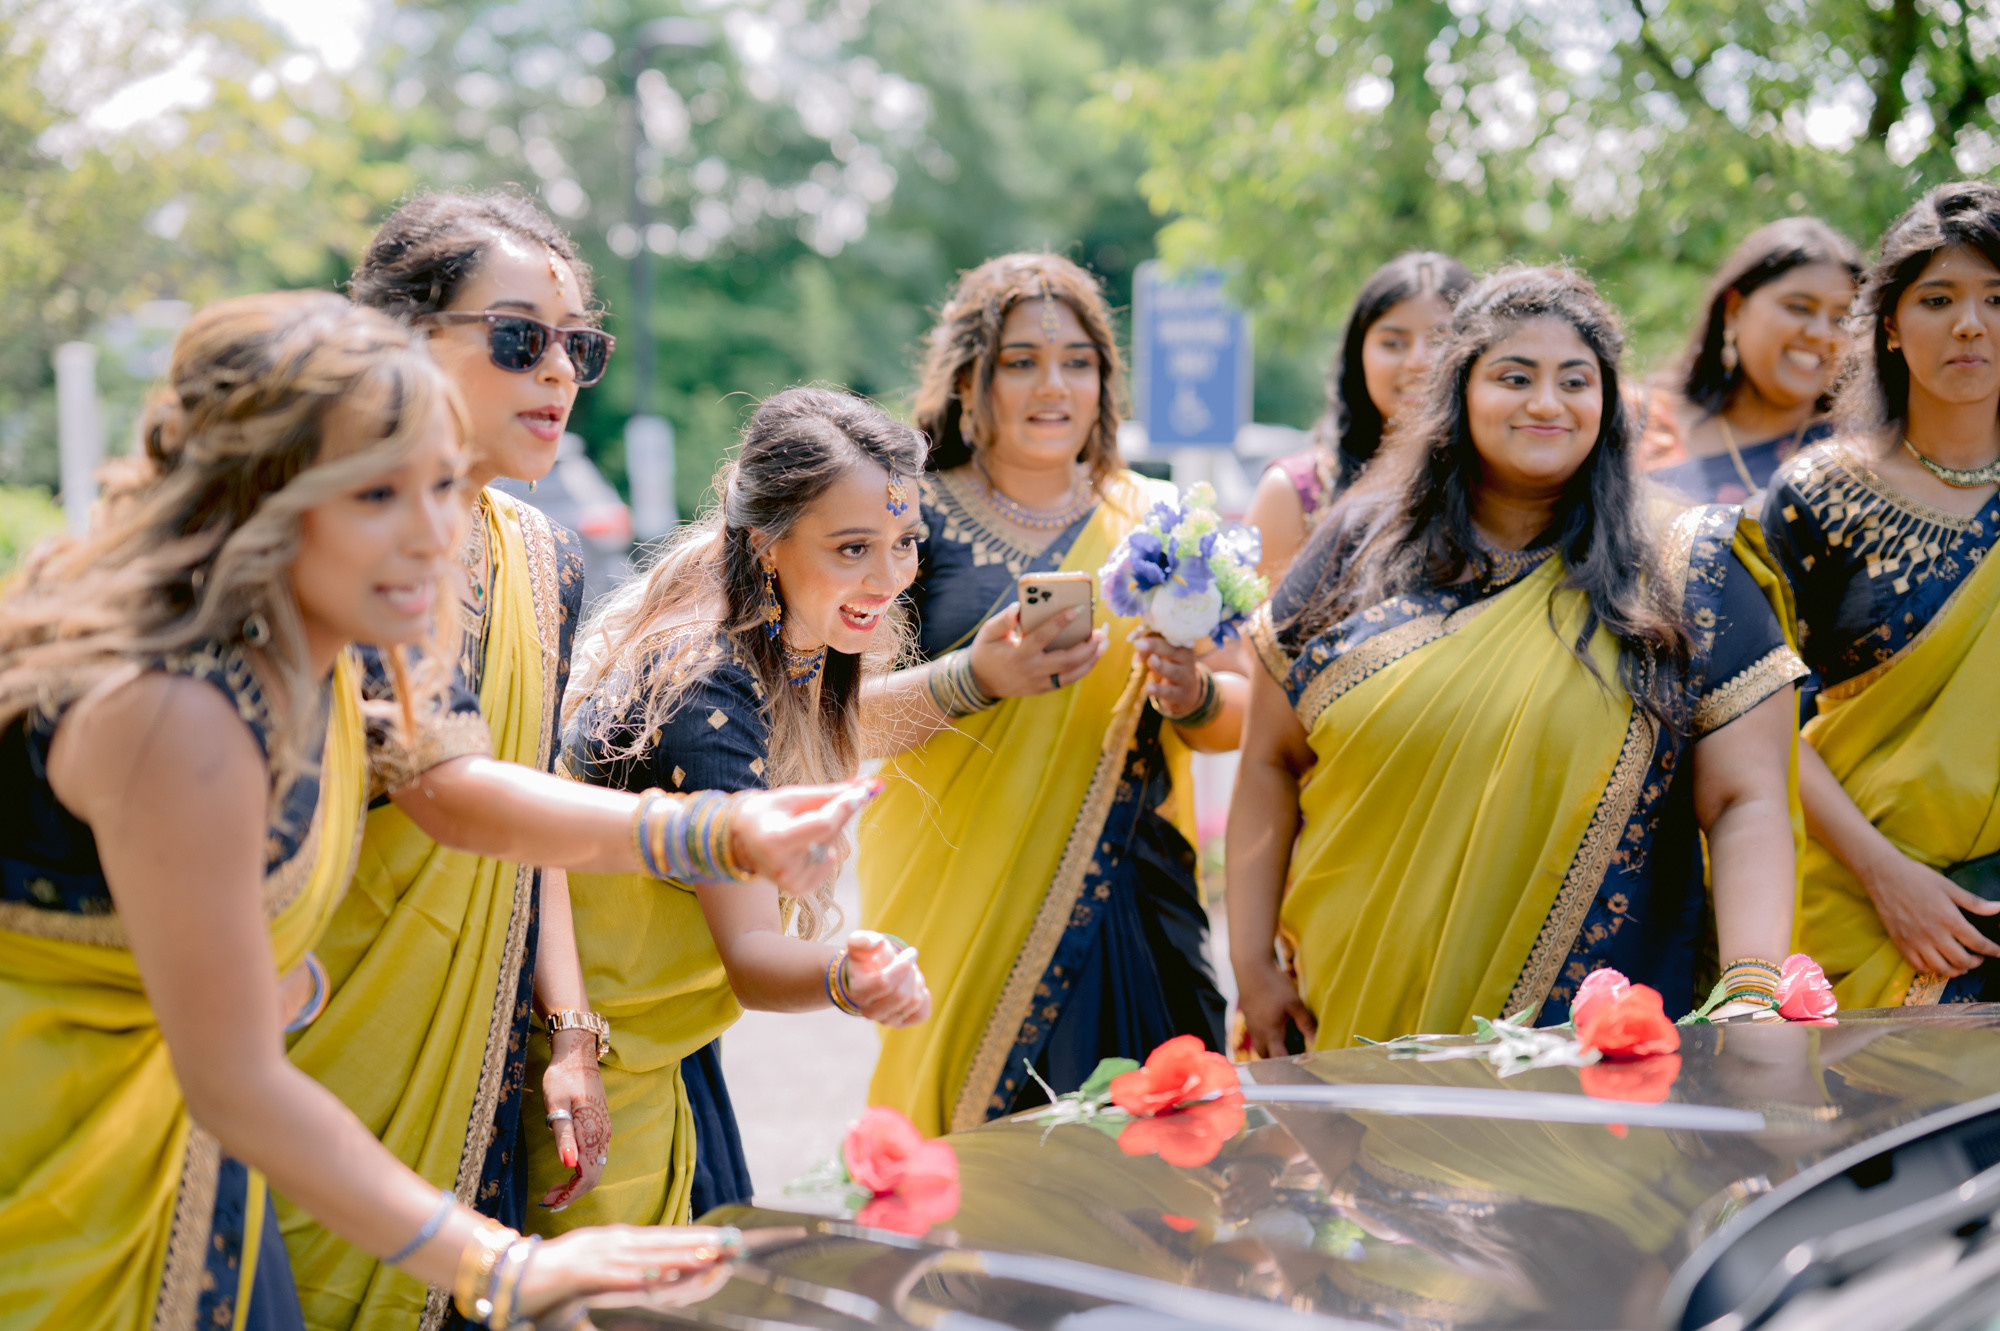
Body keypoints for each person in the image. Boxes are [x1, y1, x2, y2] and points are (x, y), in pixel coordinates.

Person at [0, 293, 749, 1329]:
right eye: (374, 494)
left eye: (442, 485)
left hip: (175, 1175)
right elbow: (238, 1084)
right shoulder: (179, 712)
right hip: (62, 1210)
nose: (432, 532)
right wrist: (508, 1265)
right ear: (258, 497)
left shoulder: (305, 676)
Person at [279, 193, 876, 1330]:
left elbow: (530, 816)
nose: (557, 371)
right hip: (323, 1019)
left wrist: (569, 1032)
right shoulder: (333, 539)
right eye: (518, 338)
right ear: (398, 340)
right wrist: (712, 829)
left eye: (577, 345)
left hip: (477, 1050)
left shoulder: (541, 554)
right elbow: (442, 789)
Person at [1229, 266, 1805, 1056]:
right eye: (1514, 377)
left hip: (1591, 1048)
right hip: (1350, 1011)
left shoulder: (1685, 567)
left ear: (1607, 403)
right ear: (1458, 393)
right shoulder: (1354, 549)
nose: (1546, 403)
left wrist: (1751, 992)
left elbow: (1746, 799)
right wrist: (1251, 963)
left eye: (1576, 380)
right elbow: (1268, 760)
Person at [860, 253, 1242, 1137]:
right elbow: (841, 717)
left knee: (1158, 1168)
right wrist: (973, 678)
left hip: (1134, 898)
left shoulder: (1161, 521)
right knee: (982, 1181)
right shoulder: (900, 519)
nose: (1052, 384)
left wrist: (1189, 696)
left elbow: (1245, 717)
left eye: (1077, 361)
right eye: (1021, 360)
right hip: (959, 906)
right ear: (968, 380)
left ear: (1106, 381)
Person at [541, 385, 934, 1232]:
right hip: (604, 1060)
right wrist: (850, 973)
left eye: (905, 544)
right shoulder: (707, 680)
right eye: (855, 546)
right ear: (767, 541)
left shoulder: (790, 631)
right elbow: (754, 954)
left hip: (658, 1050)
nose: (889, 576)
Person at [1766, 181, 2000, 1009]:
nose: (1970, 324)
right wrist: (1885, 874)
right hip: (1857, 909)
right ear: (1892, 327)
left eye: (1997, 297)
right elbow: (1760, 718)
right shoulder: (1816, 496)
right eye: (1938, 299)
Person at [1244, 252, 1472, 581]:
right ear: (1358, 355)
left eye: (1441, 340)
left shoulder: (1505, 492)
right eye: (1393, 343)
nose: (1417, 361)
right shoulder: (1298, 491)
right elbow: (1243, 630)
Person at [1649, 218, 1862, 506]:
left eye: (1841, 319)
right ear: (1734, 308)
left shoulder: (1865, 450)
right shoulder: (1646, 426)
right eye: (1799, 308)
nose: (1821, 333)